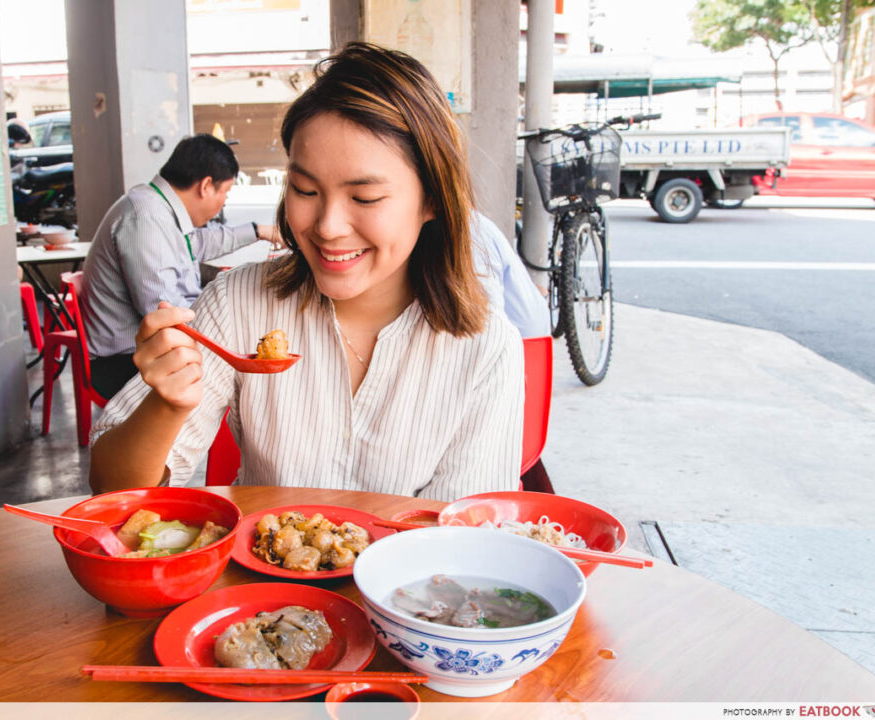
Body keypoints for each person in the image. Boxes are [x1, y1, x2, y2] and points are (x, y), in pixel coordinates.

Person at [88, 43, 524, 502]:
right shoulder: (240, 303)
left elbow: (466, 533)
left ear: (432, 198)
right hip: (258, 575)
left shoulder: (485, 347)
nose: (327, 227)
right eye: (305, 189)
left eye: (365, 198)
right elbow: (112, 488)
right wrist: (166, 405)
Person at [80, 134, 281, 399]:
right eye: (226, 193)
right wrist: (236, 310)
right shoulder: (145, 218)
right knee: (248, 382)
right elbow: (163, 309)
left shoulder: (159, 209)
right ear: (206, 186)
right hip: (126, 361)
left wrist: (259, 231)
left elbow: (199, 243)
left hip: (150, 349)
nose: (224, 202)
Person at [472, 211, 551, 338]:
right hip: (528, 336)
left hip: (521, 343)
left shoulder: (473, 237)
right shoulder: (475, 225)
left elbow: (488, 321)